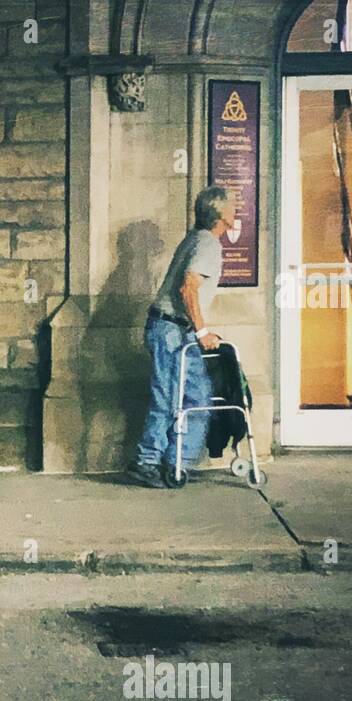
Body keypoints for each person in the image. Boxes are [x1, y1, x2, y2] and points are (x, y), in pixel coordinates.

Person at [126, 186, 236, 489]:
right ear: (221, 215)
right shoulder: (207, 244)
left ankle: (177, 462)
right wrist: (202, 331)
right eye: (233, 206)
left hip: (175, 330)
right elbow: (188, 288)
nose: (236, 210)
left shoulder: (198, 239)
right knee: (169, 396)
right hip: (172, 330)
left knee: (197, 395)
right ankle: (147, 461)